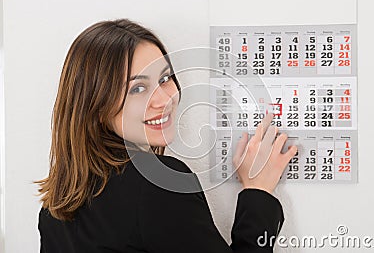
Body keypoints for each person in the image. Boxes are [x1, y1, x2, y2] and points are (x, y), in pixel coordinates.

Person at [36, 19, 298, 253]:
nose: (164, 99)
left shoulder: (56, 204)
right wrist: (258, 193)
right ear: (96, 106)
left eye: (165, 78)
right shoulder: (156, 183)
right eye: (138, 88)